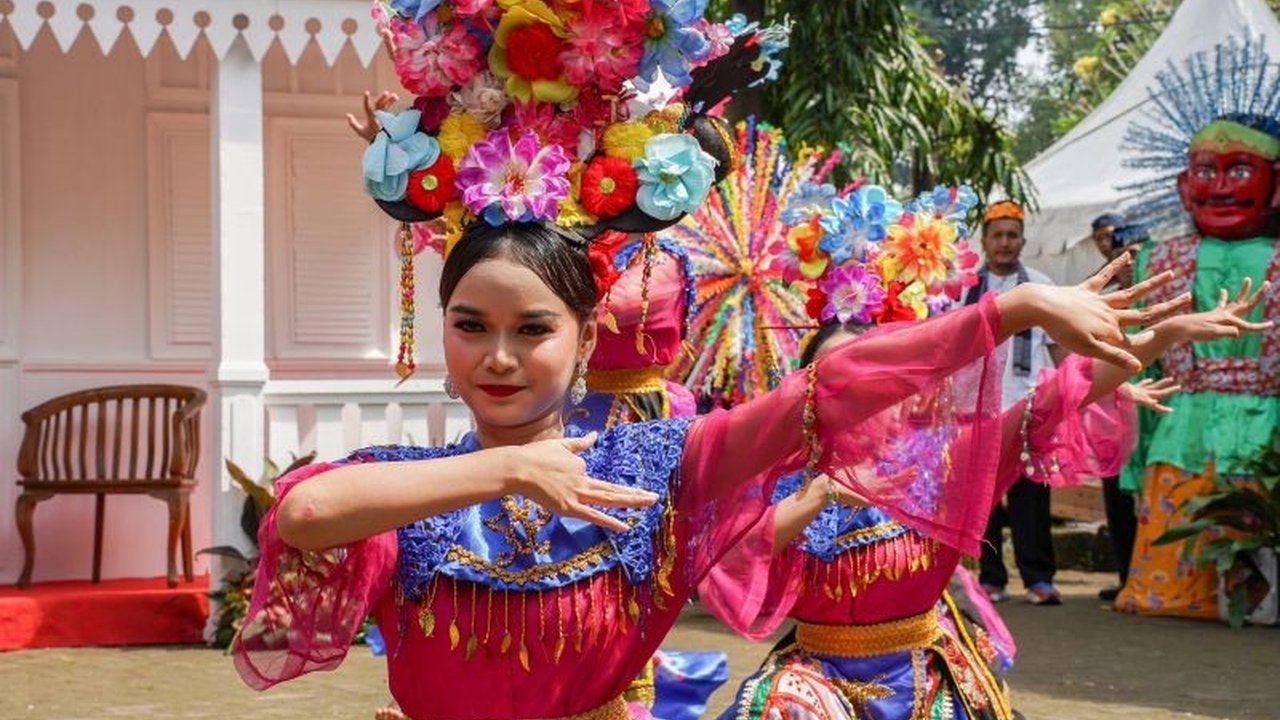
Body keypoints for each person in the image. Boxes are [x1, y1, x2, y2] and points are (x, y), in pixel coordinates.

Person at [1115, 37, 1280, 619]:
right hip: (1180, 428)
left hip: (1267, 429)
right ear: (1185, 186)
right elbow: (1142, 364)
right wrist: (1134, 453)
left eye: (1240, 170)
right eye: (1206, 171)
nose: (1220, 186)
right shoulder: (1158, 261)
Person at [966, 200, 1068, 606]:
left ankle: (1038, 578)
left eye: (1012, 235)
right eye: (998, 235)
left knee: (1032, 499)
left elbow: (1059, 348)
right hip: (978, 411)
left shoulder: (1041, 286)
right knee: (985, 500)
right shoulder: (965, 289)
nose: (1005, 242)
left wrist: (1070, 395)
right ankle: (991, 578)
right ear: (985, 241)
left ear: (1023, 241)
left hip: (1029, 409)